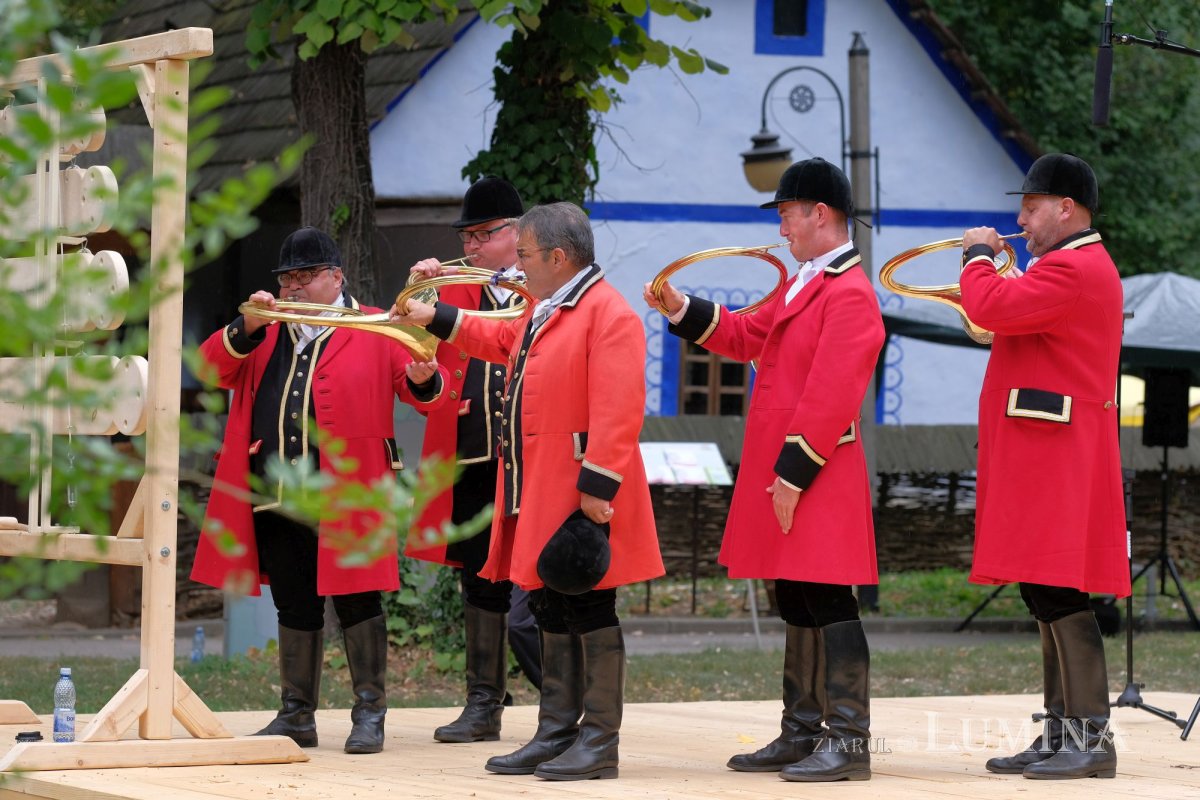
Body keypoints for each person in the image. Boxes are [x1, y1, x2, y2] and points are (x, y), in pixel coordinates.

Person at [392, 201, 664, 781]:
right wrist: (433, 315)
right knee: (547, 602)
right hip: (539, 485)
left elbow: (618, 411)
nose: (516, 265)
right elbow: (497, 337)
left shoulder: (607, 313)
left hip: (579, 488)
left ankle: (599, 740)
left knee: (589, 604)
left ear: (558, 258)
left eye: (525, 254)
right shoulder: (545, 307)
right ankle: (556, 731)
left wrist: (598, 488)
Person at [644, 157, 884, 783]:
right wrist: (679, 307)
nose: (781, 229)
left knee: (829, 596)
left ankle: (849, 740)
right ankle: (802, 730)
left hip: (816, 468)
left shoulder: (849, 291)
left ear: (820, 214)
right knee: (795, 594)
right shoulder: (804, 283)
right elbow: (746, 333)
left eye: (787, 215)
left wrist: (794, 474)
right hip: (789, 466)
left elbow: (832, 394)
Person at [191, 226, 447, 755]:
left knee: (358, 601)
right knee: (294, 602)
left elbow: (423, 393)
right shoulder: (265, 328)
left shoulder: (378, 324)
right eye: (287, 279)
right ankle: (296, 715)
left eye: (305, 277)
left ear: (336, 277)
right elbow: (209, 368)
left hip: (350, 492)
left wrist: (425, 378)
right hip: (277, 490)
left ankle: (370, 713)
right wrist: (247, 323)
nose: (294, 287)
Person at [959, 153, 1129, 780]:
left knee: (1058, 589)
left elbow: (989, 308)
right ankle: (1062, 732)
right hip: (1043, 448)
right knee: (1041, 588)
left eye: (1031, 209)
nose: (1021, 221)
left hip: (1055, 453)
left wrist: (978, 257)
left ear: (1066, 208)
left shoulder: (1073, 267)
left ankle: (1090, 738)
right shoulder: (1062, 267)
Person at [405, 176, 543, 744]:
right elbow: (420, 373)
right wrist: (417, 290)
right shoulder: (452, 289)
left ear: (517, 233)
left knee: (543, 581)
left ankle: (568, 705)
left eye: (483, 234)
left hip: (534, 460)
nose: (471, 246)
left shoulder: (548, 286)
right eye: (467, 236)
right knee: (479, 584)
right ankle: (483, 704)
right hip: (473, 455)